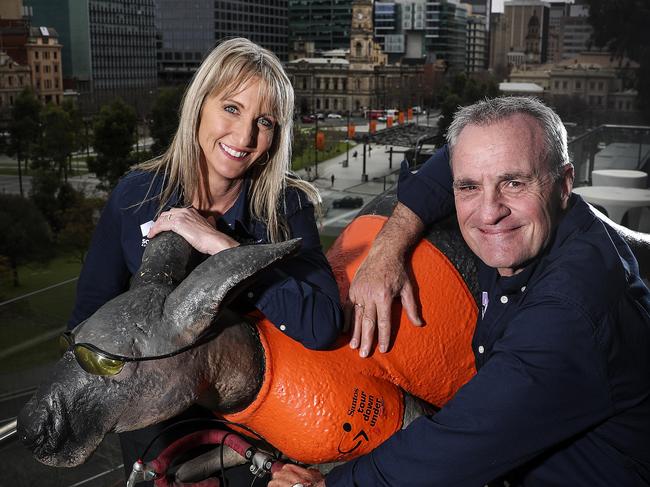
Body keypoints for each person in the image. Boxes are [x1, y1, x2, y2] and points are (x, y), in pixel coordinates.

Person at [270, 97, 650, 486]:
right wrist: (389, 245)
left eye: (514, 183)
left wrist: (329, 485)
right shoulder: (537, 234)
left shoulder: (569, 307)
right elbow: (459, 159)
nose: (488, 212)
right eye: (468, 187)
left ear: (564, 184)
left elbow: (460, 445)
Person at [68, 37, 342, 485]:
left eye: (265, 122)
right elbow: (88, 317)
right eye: (231, 108)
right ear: (199, 105)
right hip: (155, 425)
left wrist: (222, 249)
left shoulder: (285, 208)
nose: (245, 136)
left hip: (251, 425)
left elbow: (321, 325)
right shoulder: (136, 196)